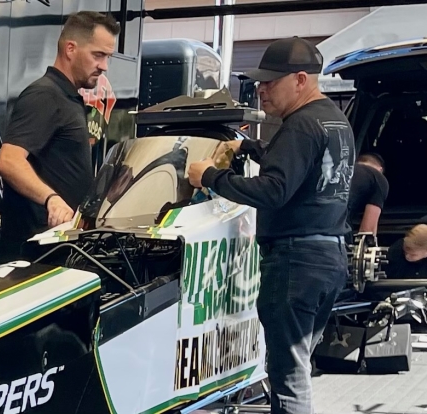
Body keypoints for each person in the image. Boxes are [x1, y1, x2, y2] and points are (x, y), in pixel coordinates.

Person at [187, 37, 355, 414]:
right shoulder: (334, 120)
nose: (261, 89)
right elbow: (304, 175)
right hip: (329, 258)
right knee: (297, 365)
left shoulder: (301, 125)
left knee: (287, 375)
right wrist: (255, 150)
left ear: (300, 79)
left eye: (270, 82)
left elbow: (274, 190)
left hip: (296, 261)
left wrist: (210, 176)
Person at [0, 11, 120, 261]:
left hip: (63, 249)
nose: (104, 66)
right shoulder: (44, 95)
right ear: (70, 49)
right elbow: (8, 161)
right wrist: (51, 199)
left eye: (108, 57)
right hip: (36, 255)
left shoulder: (68, 98)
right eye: (98, 55)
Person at [347, 153, 389, 238]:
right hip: (333, 230)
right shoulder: (378, 177)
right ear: (380, 169)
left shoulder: (342, 170)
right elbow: (367, 232)